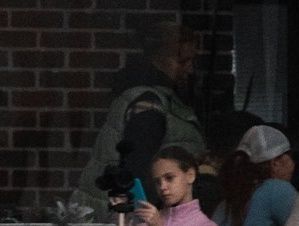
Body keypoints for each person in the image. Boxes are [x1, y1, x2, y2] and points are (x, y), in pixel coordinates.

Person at [75, 21, 206, 214]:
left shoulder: (152, 96)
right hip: (125, 223)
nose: (190, 69)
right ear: (159, 58)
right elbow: (137, 170)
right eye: (183, 61)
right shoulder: (149, 104)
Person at [218, 125, 298, 226]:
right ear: (275, 163)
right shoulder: (277, 189)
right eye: (291, 156)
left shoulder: (231, 196)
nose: (294, 163)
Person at [128, 146, 218, 226]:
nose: (162, 187)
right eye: (158, 181)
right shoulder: (149, 220)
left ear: (190, 175)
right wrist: (125, 225)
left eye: (169, 178)